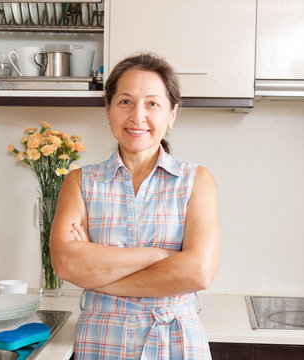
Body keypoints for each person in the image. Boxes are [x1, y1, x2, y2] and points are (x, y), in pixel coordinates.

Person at [50, 52, 221, 359]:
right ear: (108, 109)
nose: (137, 116)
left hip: (176, 344)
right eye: (125, 101)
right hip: (102, 343)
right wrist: (162, 256)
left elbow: (198, 272)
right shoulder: (79, 182)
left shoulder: (197, 180)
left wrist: (102, 279)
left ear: (171, 114)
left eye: (152, 103)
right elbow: (67, 264)